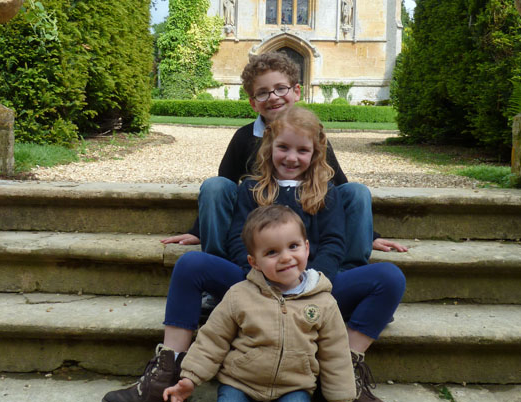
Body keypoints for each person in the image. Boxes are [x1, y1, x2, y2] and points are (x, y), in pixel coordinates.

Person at [102, 107, 405, 402]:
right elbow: (238, 238)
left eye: (302, 150)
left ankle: (348, 369)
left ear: (316, 153)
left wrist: (310, 278)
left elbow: (333, 243)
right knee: (191, 264)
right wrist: (257, 274)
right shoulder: (251, 189)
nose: (291, 157)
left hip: (311, 288)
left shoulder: (326, 193)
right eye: (283, 147)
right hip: (254, 285)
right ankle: (168, 370)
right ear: (269, 146)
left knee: (390, 277)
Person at [162, 204, 355, 402]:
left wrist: (340, 399)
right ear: (254, 262)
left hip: (292, 387)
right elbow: (212, 340)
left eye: (293, 246)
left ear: (307, 247)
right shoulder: (240, 295)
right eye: (272, 252)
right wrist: (190, 378)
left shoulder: (323, 301)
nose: (286, 258)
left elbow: (335, 352)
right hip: (240, 384)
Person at [161, 51, 408, 261]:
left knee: (357, 191)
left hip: (306, 213)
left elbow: (340, 185)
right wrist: (199, 230)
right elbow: (223, 186)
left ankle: (348, 270)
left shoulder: (313, 135)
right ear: (253, 103)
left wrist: (370, 235)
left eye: (281, 88)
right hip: (257, 216)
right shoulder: (244, 137)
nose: (273, 97)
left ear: (296, 91)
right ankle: (218, 266)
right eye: (263, 93)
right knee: (214, 185)